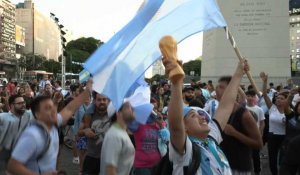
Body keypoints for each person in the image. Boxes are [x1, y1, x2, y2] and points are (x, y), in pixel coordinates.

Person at [160, 57, 248, 174]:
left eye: (200, 114)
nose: (202, 118)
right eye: (193, 116)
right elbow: (175, 126)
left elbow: (225, 106)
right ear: (184, 127)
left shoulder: (211, 137)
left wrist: (239, 73)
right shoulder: (185, 150)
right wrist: (176, 83)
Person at [6, 79, 92, 175]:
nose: (52, 110)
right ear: (37, 114)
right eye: (47, 108)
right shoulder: (33, 135)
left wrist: (87, 91)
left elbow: (69, 109)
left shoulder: (52, 123)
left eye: (52, 107)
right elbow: (12, 166)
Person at [260, 72, 288, 175]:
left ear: (286, 100)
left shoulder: (289, 112)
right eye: (277, 98)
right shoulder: (272, 108)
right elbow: (264, 94)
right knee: (272, 159)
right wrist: (265, 81)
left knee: (284, 159)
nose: (278, 100)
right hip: (272, 136)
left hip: (284, 137)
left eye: (281, 98)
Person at [78, 92, 110, 175]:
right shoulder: (89, 114)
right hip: (92, 157)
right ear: (94, 101)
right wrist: (85, 131)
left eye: (104, 99)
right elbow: (79, 132)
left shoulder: (114, 115)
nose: (102, 102)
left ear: (108, 101)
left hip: (109, 158)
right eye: (99, 100)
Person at [100, 102, 135, 175]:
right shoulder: (115, 135)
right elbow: (110, 170)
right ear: (118, 113)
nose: (132, 109)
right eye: (128, 107)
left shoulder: (120, 132)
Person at [0, 95, 33, 173]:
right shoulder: (3, 117)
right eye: (20, 103)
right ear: (12, 105)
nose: (23, 105)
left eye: (24, 102)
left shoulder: (28, 114)